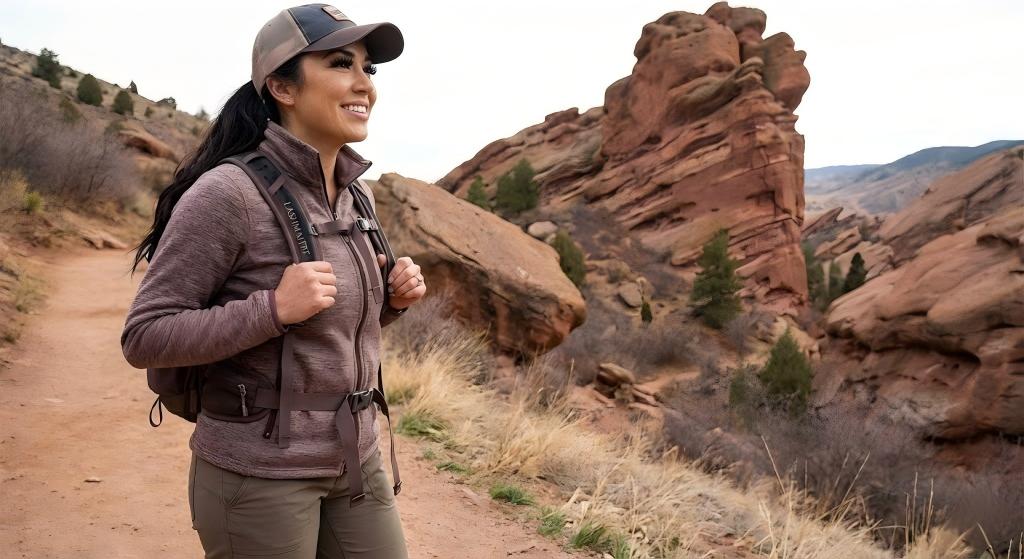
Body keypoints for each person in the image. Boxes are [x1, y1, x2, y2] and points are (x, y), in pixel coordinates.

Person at [121, 4, 425, 558]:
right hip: (259, 473)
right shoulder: (227, 194)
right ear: (283, 87)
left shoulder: (358, 194)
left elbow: (328, 325)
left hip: (356, 457)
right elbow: (144, 335)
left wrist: (392, 301)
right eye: (341, 64)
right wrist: (272, 309)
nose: (364, 84)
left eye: (369, 68)